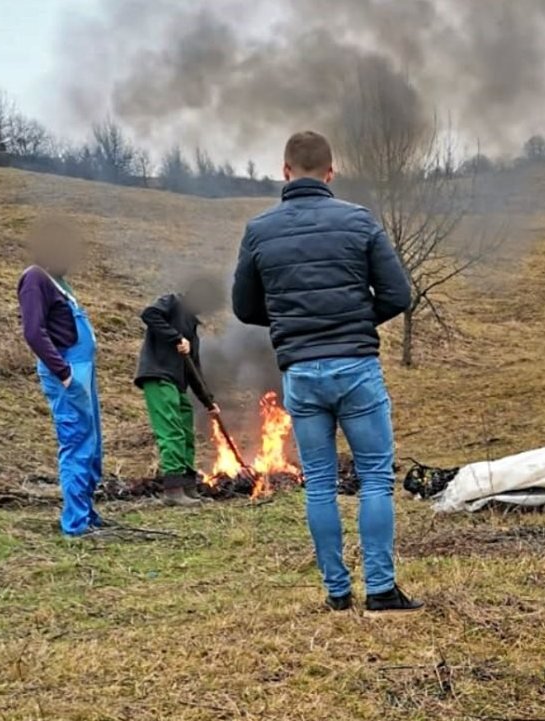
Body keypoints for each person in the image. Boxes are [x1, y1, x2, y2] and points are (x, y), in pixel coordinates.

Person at [232, 130, 421, 615]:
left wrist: (296, 327)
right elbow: (399, 295)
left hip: (301, 372)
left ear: (285, 171)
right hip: (356, 367)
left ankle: (337, 592)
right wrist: (354, 322)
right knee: (375, 478)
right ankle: (380, 589)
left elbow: (244, 307)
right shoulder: (359, 222)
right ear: (331, 172)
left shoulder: (259, 230)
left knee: (318, 482)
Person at [17, 217, 104, 536]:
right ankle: (76, 523)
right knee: (77, 442)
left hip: (83, 371)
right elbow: (33, 332)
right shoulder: (34, 278)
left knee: (92, 444)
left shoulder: (59, 283)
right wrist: (65, 374)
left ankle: (87, 512)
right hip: (67, 371)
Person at [135, 277, 223, 507]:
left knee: (185, 431)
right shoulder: (172, 302)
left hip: (177, 384)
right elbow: (149, 314)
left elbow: (195, 370)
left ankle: (188, 485)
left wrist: (208, 402)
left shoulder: (192, 327)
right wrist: (175, 337)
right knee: (171, 430)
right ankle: (173, 490)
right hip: (159, 376)